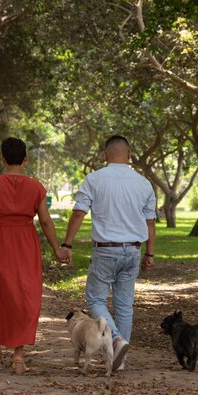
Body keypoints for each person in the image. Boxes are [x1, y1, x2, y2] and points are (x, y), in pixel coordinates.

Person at [0, 137, 68, 374]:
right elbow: (44, 220)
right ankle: (19, 357)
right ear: (25, 159)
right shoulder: (36, 187)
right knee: (24, 296)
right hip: (25, 243)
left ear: (3, 159)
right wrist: (56, 248)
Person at [61, 135, 156, 371]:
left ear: (105, 156)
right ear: (130, 154)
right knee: (125, 306)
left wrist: (67, 245)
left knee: (95, 299)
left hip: (106, 251)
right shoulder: (143, 183)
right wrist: (150, 254)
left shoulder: (94, 179)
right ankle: (119, 360)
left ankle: (115, 339)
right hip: (133, 250)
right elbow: (150, 223)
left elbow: (78, 213)